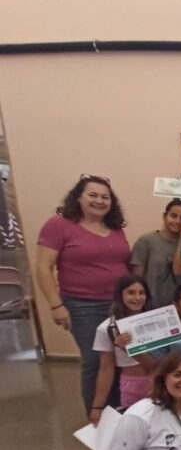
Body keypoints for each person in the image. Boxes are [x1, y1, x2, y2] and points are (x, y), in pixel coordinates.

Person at [36, 174, 131, 415]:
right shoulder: (59, 225)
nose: (99, 201)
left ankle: (118, 412)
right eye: (93, 195)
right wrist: (56, 305)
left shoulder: (115, 228)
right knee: (96, 359)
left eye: (105, 197)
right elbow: (43, 267)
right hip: (83, 305)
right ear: (78, 197)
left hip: (119, 304)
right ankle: (97, 414)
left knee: (122, 356)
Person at [91, 275, 159, 423]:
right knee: (135, 425)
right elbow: (106, 369)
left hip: (162, 381)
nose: (137, 298)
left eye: (141, 292)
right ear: (120, 295)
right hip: (133, 385)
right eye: (131, 293)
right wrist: (97, 407)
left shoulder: (159, 321)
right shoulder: (107, 328)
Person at [130, 199, 181, 308]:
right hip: (151, 305)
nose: (177, 221)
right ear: (164, 216)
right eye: (173, 216)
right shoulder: (146, 241)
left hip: (180, 307)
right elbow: (137, 278)